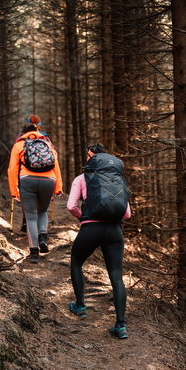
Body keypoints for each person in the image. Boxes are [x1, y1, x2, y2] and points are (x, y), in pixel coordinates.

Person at [67, 143, 131, 339]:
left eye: (88, 156)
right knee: (117, 276)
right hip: (114, 232)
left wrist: (82, 218)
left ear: (92, 158)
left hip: (91, 228)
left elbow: (71, 206)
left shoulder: (82, 178)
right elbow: (127, 214)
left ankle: (79, 306)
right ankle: (120, 325)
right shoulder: (118, 180)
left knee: (76, 262)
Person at [8, 123, 62, 263]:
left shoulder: (18, 145)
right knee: (42, 211)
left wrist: (14, 191)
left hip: (27, 180)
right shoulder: (47, 144)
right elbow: (56, 166)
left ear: (23, 133)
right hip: (49, 180)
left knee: (31, 216)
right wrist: (58, 188)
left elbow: (12, 170)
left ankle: (33, 253)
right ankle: (43, 237)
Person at [17, 115, 56, 233]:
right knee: (42, 205)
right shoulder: (45, 137)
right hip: (46, 174)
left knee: (27, 199)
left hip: (25, 173)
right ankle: (42, 230)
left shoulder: (21, 136)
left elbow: (17, 153)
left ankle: (26, 221)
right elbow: (53, 156)